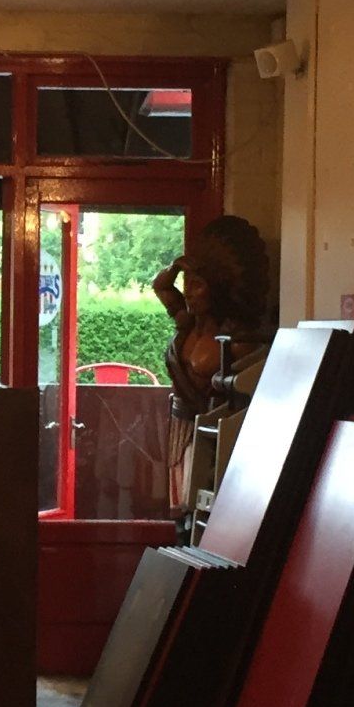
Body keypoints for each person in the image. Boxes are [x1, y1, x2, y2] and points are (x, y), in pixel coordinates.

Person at [151, 215, 273, 524]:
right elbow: (160, 285)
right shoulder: (187, 322)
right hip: (180, 424)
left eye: (198, 285)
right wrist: (179, 266)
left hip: (211, 430)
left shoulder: (234, 338)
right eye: (187, 285)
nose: (189, 292)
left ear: (216, 289)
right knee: (179, 508)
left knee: (199, 507)